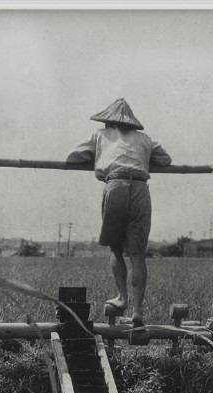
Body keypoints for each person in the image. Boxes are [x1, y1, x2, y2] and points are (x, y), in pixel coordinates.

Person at [66, 98, 172, 327]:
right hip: (141, 189)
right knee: (137, 254)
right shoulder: (145, 139)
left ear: (109, 122)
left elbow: (72, 156)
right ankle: (138, 310)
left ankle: (122, 297)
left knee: (115, 247)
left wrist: (100, 157)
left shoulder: (101, 135)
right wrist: (143, 158)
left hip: (116, 186)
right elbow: (165, 160)